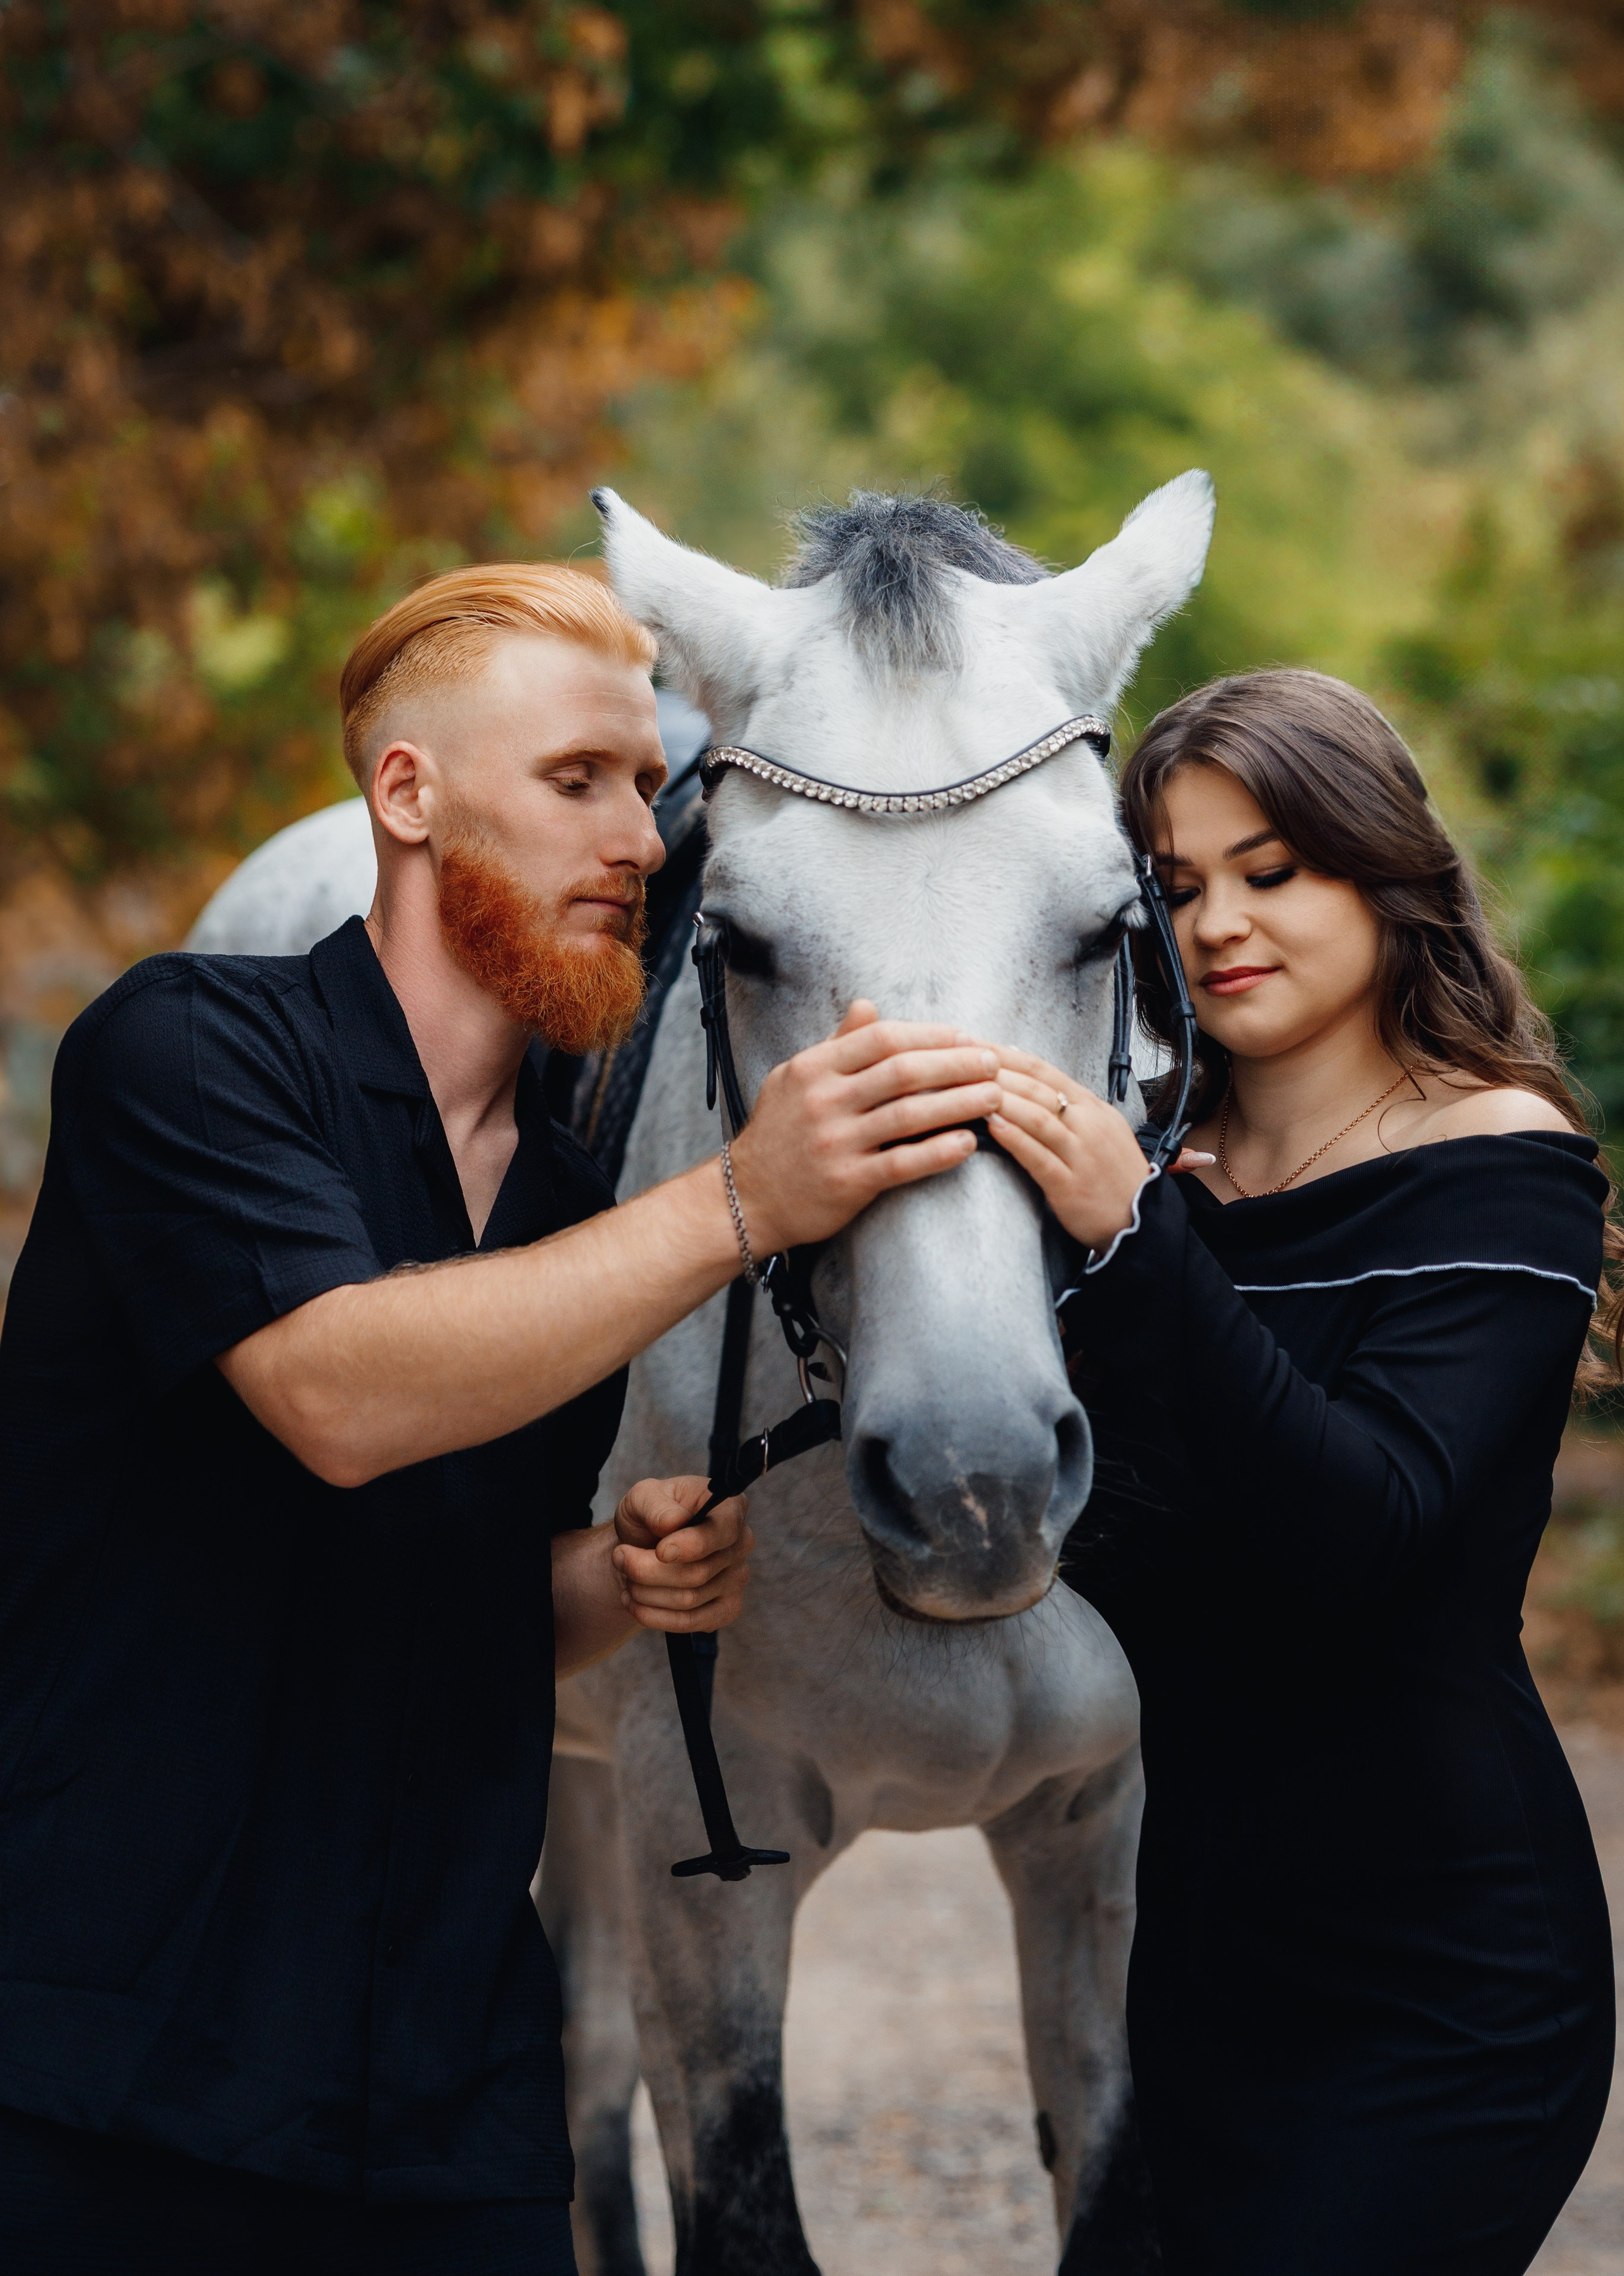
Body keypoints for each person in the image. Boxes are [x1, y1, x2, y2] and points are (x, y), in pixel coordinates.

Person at [0, 562, 1004, 2273]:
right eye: (577, 783)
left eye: (646, 785)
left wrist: (616, 1584)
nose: (641, 838)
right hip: (117, 2055)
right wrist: (743, 1202)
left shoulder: (565, 1194)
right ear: (406, 795)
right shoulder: (182, 1050)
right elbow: (337, 1396)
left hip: (448, 2093)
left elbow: (440, 1603)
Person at [983, 669, 1616, 2276]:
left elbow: (1364, 1527)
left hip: (1448, 1984)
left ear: (1381, 871)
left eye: (1270, 870)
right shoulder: (1146, 1178)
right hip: (1201, 1971)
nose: (1215, 923)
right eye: (1177, 886)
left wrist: (1138, 1243)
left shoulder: (1501, 1162)